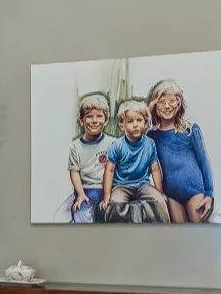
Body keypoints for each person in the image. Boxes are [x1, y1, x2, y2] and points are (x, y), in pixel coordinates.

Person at [146, 79, 215, 222]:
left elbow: (203, 161)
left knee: (198, 230)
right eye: (161, 102)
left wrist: (209, 194)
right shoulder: (152, 135)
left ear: (179, 103)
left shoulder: (190, 130)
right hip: (171, 195)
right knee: (179, 232)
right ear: (154, 105)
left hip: (195, 191)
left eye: (172, 101)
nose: (167, 106)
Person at [100, 100, 170, 222]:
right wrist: (106, 195)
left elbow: (155, 169)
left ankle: (162, 230)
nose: (135, 125)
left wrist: (160, 192)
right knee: (115, 203)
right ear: (122, 125)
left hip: (143, 185)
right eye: (130, 121)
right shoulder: (117, 146)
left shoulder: (149, 144)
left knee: (158, 200)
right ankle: (115, 231)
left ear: (145, 122)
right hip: (121, 186)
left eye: (139, 120)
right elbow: (109, 171)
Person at [65, 93, 115, 223]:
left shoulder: (113, 143)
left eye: (99, 116)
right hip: (86, 190)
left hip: (109, 189)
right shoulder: (76, 146)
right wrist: (81, 194)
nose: (94, 120)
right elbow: (74, 172)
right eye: (89, 116)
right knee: (82, 215)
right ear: (81, 121)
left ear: (106, 120)